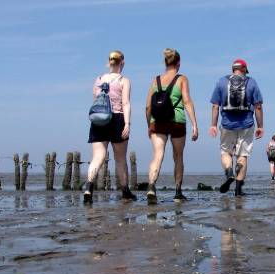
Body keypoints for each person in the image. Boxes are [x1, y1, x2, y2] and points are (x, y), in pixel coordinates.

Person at [144, 48, 199, 204]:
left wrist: (150, 125)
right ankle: (177, 193)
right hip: (177, 121)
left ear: (166, 62)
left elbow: (148, 106)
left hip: (157, 122)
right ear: (178, 63)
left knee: (157, 155)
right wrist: (195, 124)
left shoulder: (156, 80)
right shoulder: (182, 79)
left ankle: (151, 187)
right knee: (178, 157)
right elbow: (187, 101)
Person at [84, 50, 136, 204]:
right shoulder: (123, 80)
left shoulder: (98, 79)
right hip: (117, 119)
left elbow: (95, 100)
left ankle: (88, 188)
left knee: (97, 157)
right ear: (123, 63)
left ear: (109, 62)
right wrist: (127, 123)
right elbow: (125, 103)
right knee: (120, 159)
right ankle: (125, 191)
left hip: (98, 119)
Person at [209, 58, 264, 196]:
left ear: (233, 69)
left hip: (227, 124)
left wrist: (213, 125)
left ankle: (229, 171)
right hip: (246, 124)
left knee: (226, 152)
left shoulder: (221, 82)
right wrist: (260, 126)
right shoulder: (251, 82)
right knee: (242, 155)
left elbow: (215, 105)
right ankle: (238, 191)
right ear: (244, 69)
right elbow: (258, 106)